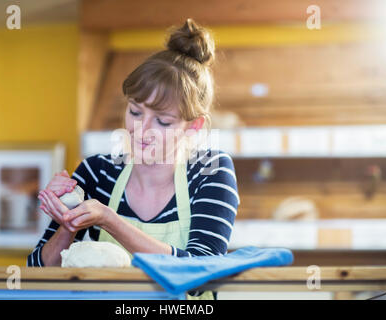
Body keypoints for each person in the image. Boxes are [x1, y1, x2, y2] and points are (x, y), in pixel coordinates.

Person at [28, 18, 240, 300]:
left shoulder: (210, 172)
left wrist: (109, 220)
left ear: (194, 126)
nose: (142, 131)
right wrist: (69, 223)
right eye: (135, 112)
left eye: (163, 122)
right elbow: (36, 274)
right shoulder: (97, 172)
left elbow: (198, 276)